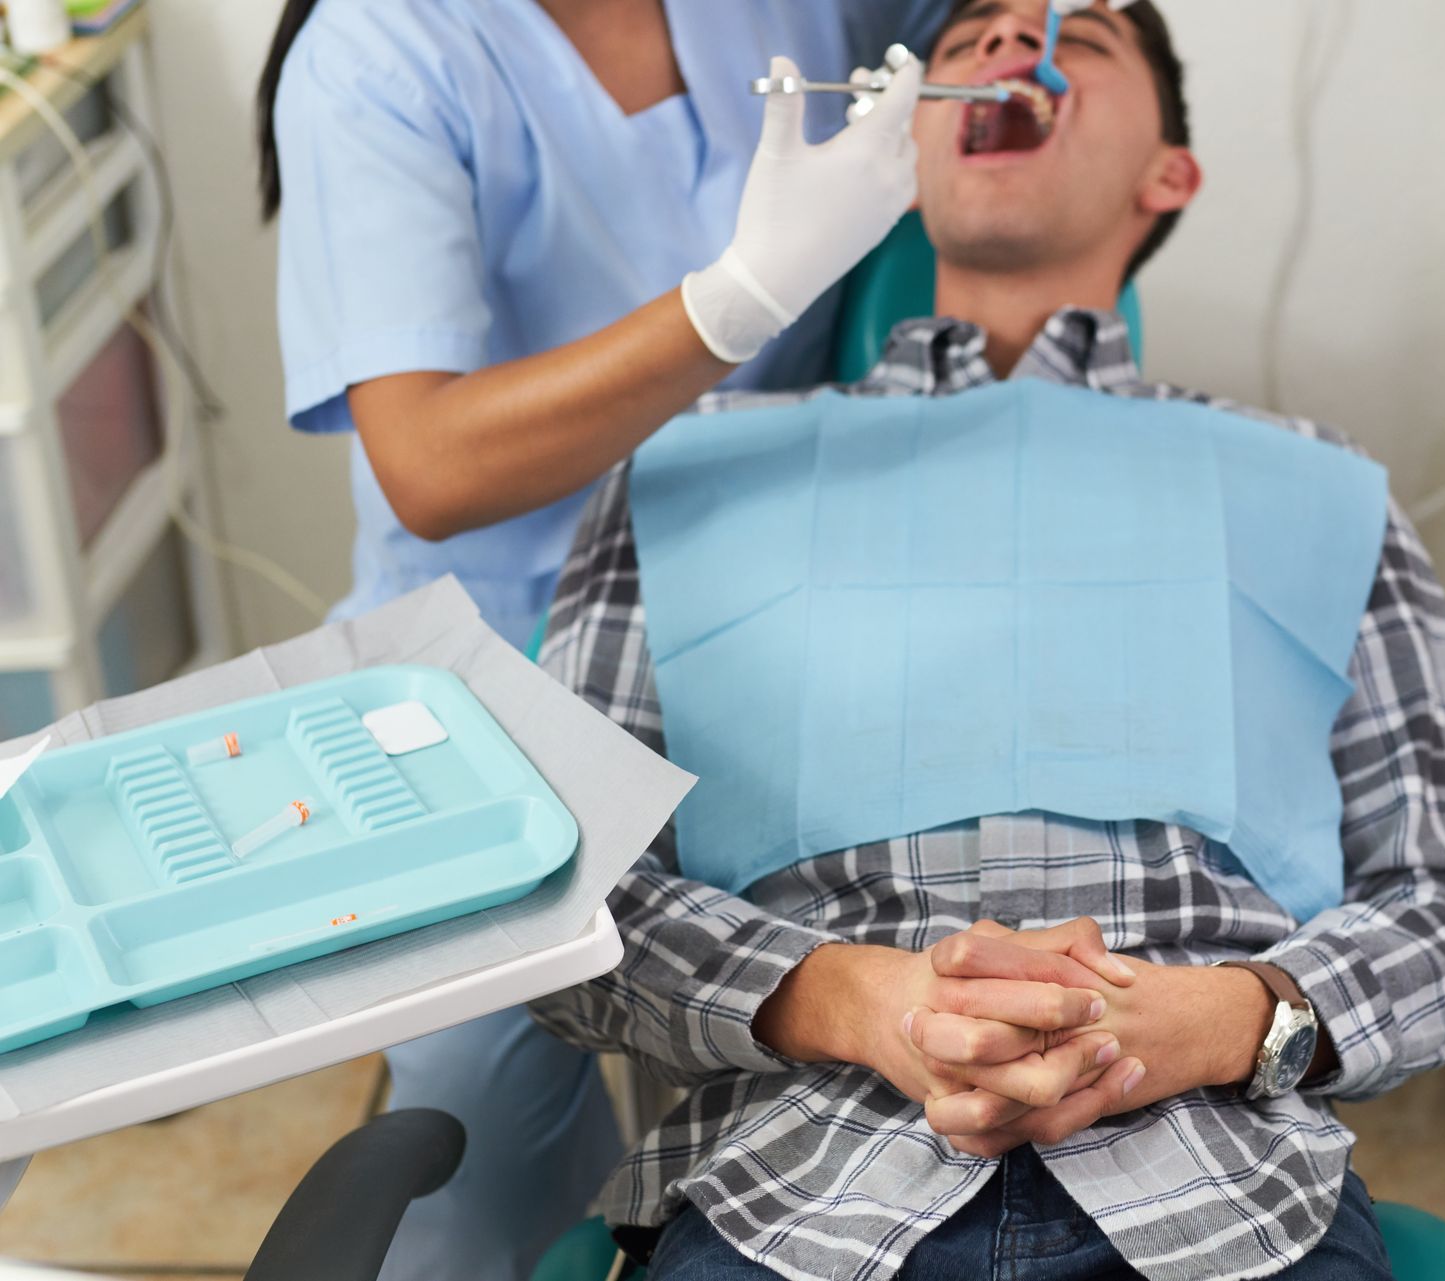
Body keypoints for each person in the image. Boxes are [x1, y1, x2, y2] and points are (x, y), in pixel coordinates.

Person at [533, 2, 1445, 1277]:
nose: (1012, 46)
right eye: (969, 38)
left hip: (1227, 1189)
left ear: (1172, 173)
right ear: (905, 142)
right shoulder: (690, 470)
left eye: (1081, 36)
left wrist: (1218, 1021)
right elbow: (571, 914)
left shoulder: (1313, 486)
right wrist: (858, 1000)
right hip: (795, 1188)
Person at [256, 3, 951, 1277]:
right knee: (470, 1148)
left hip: (779, 611)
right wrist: (737, 302)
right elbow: (428, 462)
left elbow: (991, 34)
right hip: (495, 661)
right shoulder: (383, 53)